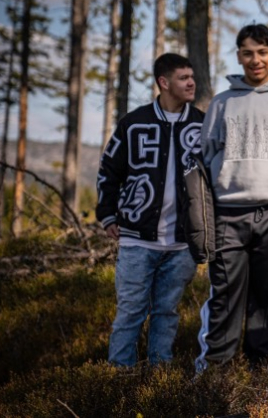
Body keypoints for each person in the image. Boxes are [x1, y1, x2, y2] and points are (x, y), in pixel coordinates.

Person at [195, 24, 268, 372]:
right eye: (247, 53)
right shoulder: (222, 104)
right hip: (228, 213)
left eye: (262, 53)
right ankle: (215, 367)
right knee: (224, 293)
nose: (255, 60)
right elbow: (206, 155)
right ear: (238, 56)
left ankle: (263, 366)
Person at [97, 53, 205, 367]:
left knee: (166, 312)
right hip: (137, 238)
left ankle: (160, 376)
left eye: (192, 77)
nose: (191, 83)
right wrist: (107, 214)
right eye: (183, 78)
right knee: (130, 311)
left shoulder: (201, 124)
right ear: (164, 82)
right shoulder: (134, 123)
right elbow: (108, 171)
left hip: (182, 241)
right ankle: (120, 376)